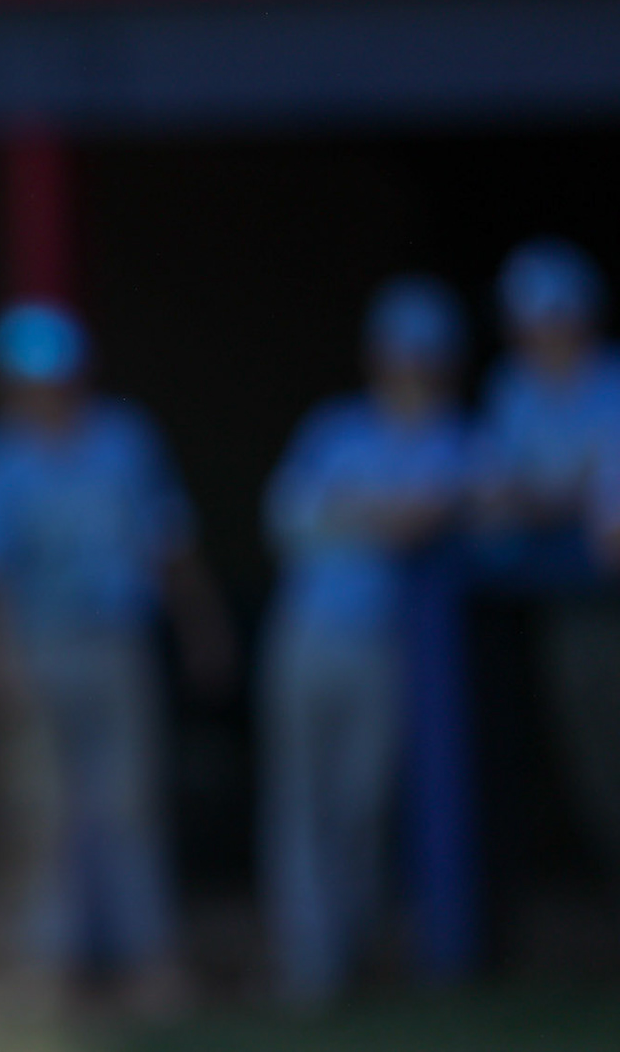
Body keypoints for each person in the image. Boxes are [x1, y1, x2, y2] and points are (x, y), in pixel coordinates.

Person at [0, 302, 232, 1014]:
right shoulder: (1, 455)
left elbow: (167, 545)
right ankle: (48, 967)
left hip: (117, 644)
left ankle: (148, 962)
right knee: (41, 809)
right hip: (36, 647)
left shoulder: (124, 440)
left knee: (128, 802)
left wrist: (203, 630)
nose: (43, 392)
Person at [259, 277, 472, 1007]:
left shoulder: (455, 437)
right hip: (306, 637)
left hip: (387, 649)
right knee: (302, 803)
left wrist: (354, 511)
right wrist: (383, 515)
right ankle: (308, 973)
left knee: (363, 803)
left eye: (421, 353)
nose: (406, 366)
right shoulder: (338, 426)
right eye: (395, 352)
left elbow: (430, 518)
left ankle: (355, 955)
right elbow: (286, 516)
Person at [474, 239, 620, 922]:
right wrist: (561, 499)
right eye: (534, 322)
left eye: (559, 318)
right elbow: (499, 498)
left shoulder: (614, 383)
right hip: (565, 612)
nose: (548, 335)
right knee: (593, 765)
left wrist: (554, 500)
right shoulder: (512, 390)